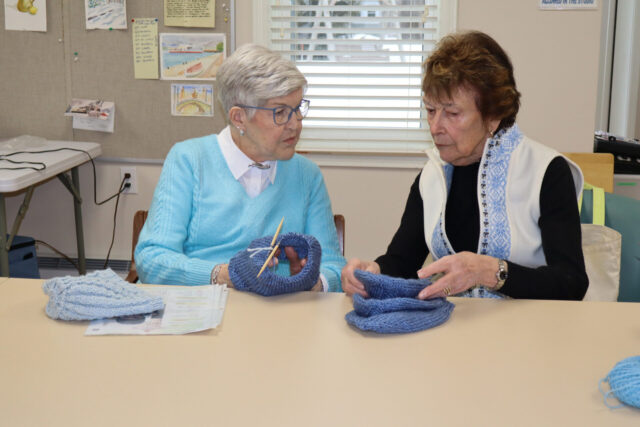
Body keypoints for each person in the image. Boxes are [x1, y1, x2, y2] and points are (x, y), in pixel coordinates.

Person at [341, 31, 588, 300]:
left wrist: (491, 271)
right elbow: (402, 262)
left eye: (452, 113)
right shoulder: (432, 175)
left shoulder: (546, 171)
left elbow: (572, 283)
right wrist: (372, 273)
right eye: (431, 110)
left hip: (528, 333)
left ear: (493, 116)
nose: (435, 128)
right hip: (454, 331)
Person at [135, 44, 346, 291]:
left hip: (279, 316)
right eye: (280, 112)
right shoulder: (189, 161)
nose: (296, 124)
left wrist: (313, 282)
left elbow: (333, 267)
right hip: (200, 311)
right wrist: (223, 275)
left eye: (298, 109)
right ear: (238, 118)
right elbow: (152, 260)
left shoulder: (306, 175)